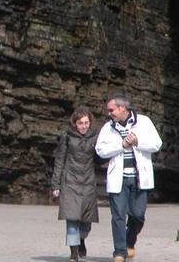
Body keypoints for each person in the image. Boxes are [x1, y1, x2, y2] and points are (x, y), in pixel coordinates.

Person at [95, 93, 162, 262]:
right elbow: (100, 150)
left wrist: (138, 142)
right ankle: (119, 252)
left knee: (138, 215)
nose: (109, 113)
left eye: (112, 110)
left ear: (122, 108)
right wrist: (121, 145)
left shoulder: (144, 122)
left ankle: (130, 241)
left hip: (140, 178)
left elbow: (157, 144)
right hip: (118, 179)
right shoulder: (107, 127)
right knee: (118, 216)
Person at [51, 106, 99, 262]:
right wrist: (56, 185)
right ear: (75, 124)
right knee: (71, 219)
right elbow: (59, 160)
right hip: (70, 181)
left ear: (90, 123)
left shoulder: (96, 137)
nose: (84, 126)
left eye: (86, 123)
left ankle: (82, 240)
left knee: (86, 222)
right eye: (80, 123)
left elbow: (102, 158)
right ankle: (73, 254)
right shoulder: (67, 136)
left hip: (88, 183)